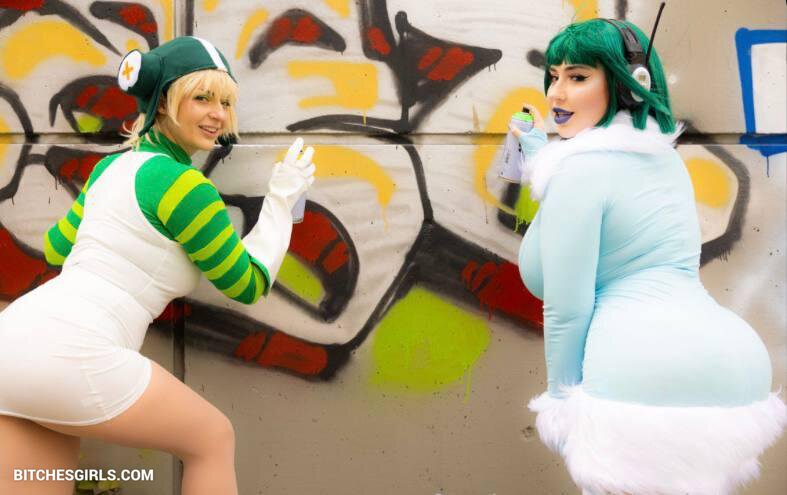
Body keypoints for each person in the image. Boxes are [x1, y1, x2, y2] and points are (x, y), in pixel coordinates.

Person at [0, 37, 315, 495]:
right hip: (74, 353)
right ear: (164, 102)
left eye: (226, 102)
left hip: (12, 342)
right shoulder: (184, 186)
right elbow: (246, 283)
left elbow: (55, 249)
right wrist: (281, 204)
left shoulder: (108, 170)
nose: (218, 115)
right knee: (212, 439)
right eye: (202, 97)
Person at [511, 18, 786, 495]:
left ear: (630, 83)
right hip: (737, 367)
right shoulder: (663, 159)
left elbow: (568, 307)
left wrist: (561, 403)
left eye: (578, 77)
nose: (556, 93)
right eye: (554, 76)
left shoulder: (579, 174)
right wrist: (542, 157)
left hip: (641, 372)